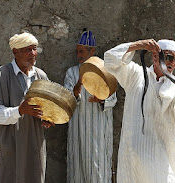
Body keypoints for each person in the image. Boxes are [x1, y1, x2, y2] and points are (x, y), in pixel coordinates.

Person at [104, 39, 175, 183]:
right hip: (133, 152)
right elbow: (110, 59)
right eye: (169, 57)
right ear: (155, 56)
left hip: (160, 153)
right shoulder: (136, 74)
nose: (172, 63)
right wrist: (139, 45)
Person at [0, 32, 54, 183]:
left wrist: (48, 118)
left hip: (35, 143)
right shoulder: (2, 75)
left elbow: (48, 108)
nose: (33, 53)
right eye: (28, 49)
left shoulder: (40, 76)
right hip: (12, 145)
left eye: (34, 49)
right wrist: (20, 110)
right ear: (15, 52)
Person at [64, 29, 117, 183]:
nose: (79, 55)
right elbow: (67, 100)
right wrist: (77, 87)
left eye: (82, 51)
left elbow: (113, 99)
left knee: (98, 171)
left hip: (99, 131)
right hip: (78, 131)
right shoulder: (72, 73)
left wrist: (101, 100)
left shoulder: (105, 71)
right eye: (77, 52)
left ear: (92, 51)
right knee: (77, 170)